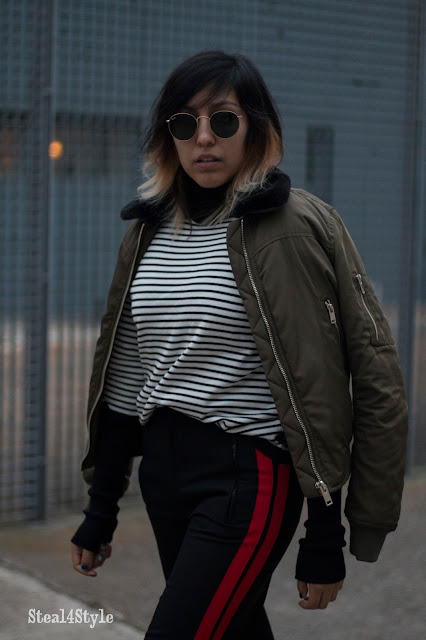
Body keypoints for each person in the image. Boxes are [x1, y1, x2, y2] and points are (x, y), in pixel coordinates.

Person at [70, 50, 408, 639]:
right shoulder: (147, 231)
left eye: (223, 120)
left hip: (246, 477)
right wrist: (101, 509)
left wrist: (328, 529)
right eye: (185, 123)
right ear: (168, 137)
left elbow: (358, 373)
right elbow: (125, 372)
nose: (204, 138)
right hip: (164, 478)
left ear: (255, 128)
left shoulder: (296, 226)